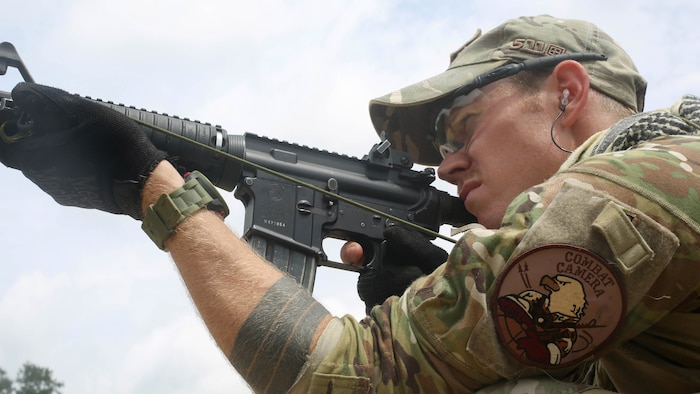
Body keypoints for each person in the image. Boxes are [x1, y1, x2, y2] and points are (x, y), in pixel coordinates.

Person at [1, 14, 699, 393]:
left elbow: (338, 380)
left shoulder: (640, 189)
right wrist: (436, 298)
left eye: (462, 129)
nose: (448, 166)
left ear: (567, 95)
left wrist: (157, 191)